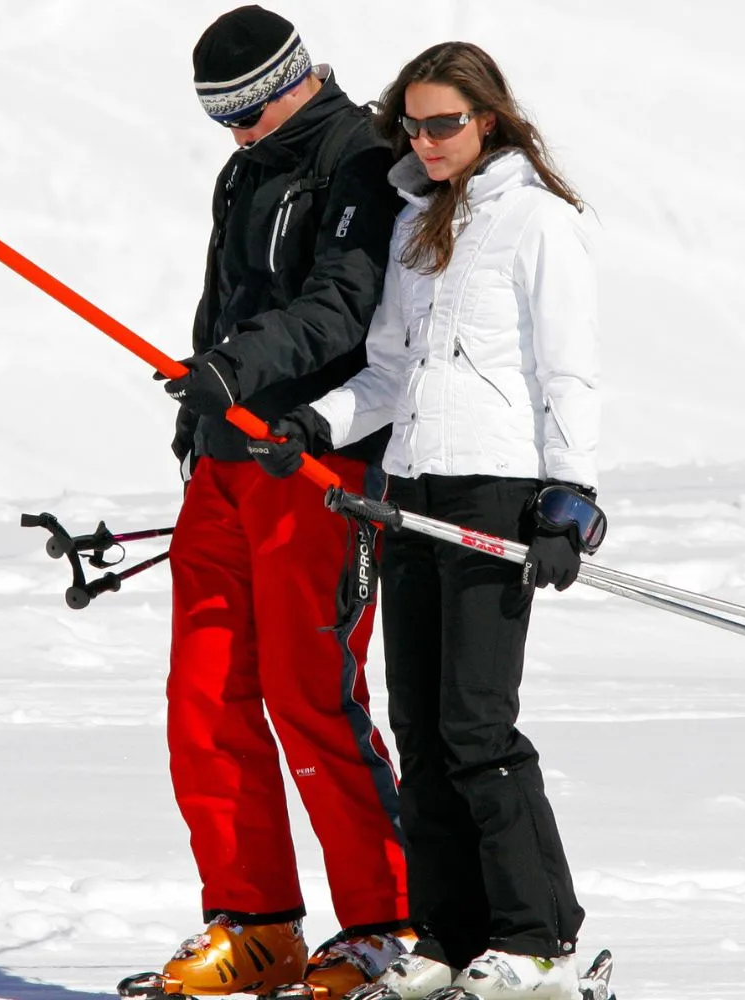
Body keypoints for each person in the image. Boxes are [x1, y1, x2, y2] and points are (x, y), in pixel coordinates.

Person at [248, 41, 603, 1000]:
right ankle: (448, 935)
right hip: (408, 491)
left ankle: (536, 937)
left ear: (488, 116)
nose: (427, 140)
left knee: (478, 727)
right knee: (418, 724)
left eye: (445, 122)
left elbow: (567, 371)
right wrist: (310, 427)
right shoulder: (415, 227)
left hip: (496, 490)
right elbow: (390, 376)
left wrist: (571, 499)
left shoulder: (538, 225)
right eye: (412, 124)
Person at [146, 6, 412, 999]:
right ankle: (256, 920)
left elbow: (343, 306)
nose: (237, 136)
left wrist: (240, 368)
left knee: (314, 694)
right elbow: (227, 300)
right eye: (224, 122)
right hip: (228, 463)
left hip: (318, 464)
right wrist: (200, 413)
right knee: (205, 694)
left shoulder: (363, 160)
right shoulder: (245, 170)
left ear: (288, 84)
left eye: (246, 116)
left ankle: (389, 921)